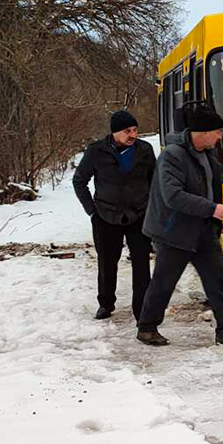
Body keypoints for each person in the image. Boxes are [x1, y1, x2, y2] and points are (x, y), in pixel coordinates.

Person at [137, 106, 223, 348]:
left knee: (218, 279)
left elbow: (210, 189)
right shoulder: (172, 156)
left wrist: (215, 220)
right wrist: (212, 209)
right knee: (164, 281)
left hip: (202, 230)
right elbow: (173, 196)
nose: (221, 137)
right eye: (218, 132)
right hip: (173, 232)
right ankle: (147, 328)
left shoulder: (206, 155)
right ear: (201, 132)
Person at [72, 109, 156, 321]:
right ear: (115, 132)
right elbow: (79, 180)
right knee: (108, 262)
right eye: (128, 131)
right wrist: (92, 211)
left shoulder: (144, 150)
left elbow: (154, 181)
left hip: (139, 215)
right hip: (106, 215)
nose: (133, 135)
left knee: (141, 263)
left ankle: (142, 309)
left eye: (135, 130)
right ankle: (106, 303)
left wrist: (152, 209)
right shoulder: (97, 151)